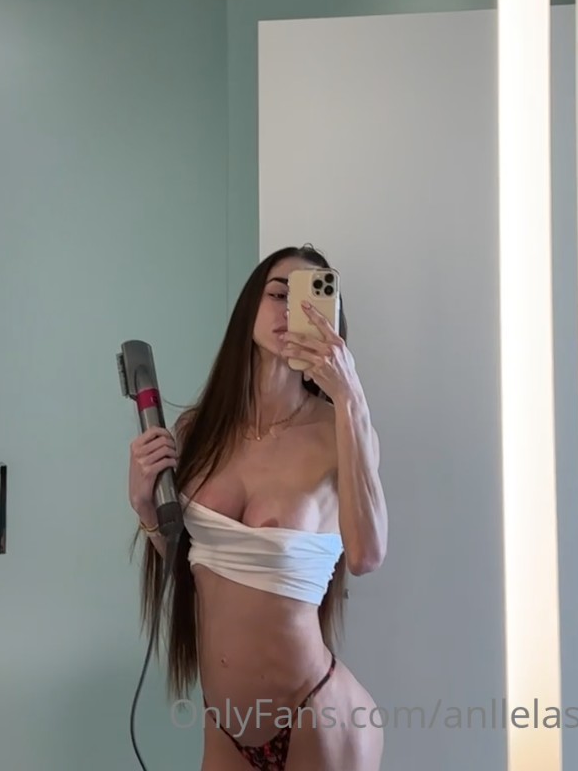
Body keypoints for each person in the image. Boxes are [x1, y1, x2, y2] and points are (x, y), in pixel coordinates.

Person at [128, 245, 388, 770]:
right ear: (249, 307)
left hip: (318, 716)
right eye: (278, 294)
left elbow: (366, 556)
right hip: (225, 726)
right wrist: (144, 505)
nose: (291, 311)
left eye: (308, 299)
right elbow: (191, 567)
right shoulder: (197, 429)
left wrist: (351, 398)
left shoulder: (338, 431)